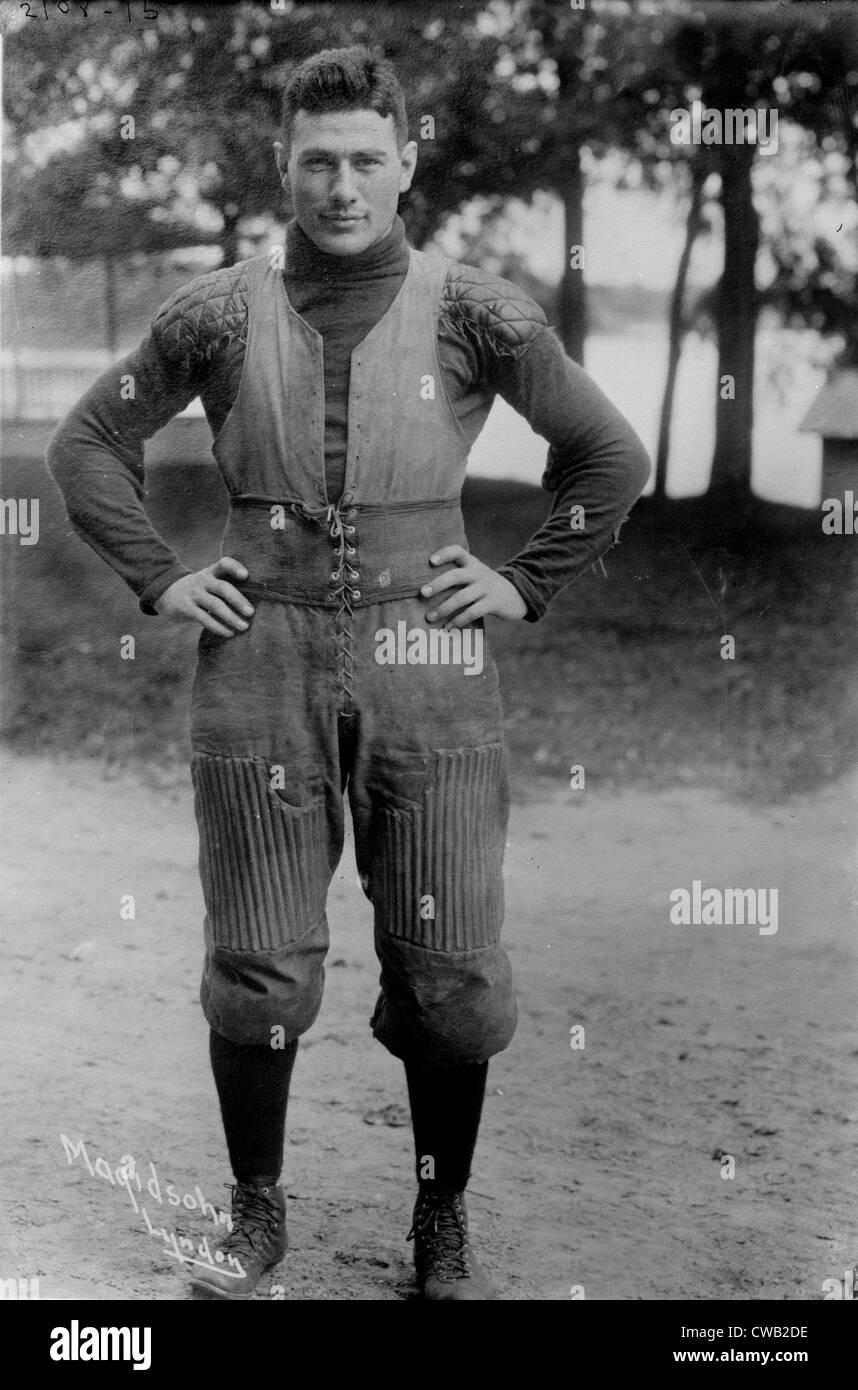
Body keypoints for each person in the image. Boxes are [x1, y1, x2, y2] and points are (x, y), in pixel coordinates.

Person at [48, 44, 650, 1301]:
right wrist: (160, 575)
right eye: (317, 161)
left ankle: (441, 1224)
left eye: (366, 160)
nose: (340, 185)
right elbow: (87, 440)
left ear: (406, 166)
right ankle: (257, 1212)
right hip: (256, 656)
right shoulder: (217, 310)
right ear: (283, 167)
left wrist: (524, 579)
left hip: (428, 656)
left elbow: (608, 453)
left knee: (453, 966)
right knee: (260, 957)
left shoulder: (476, 309)